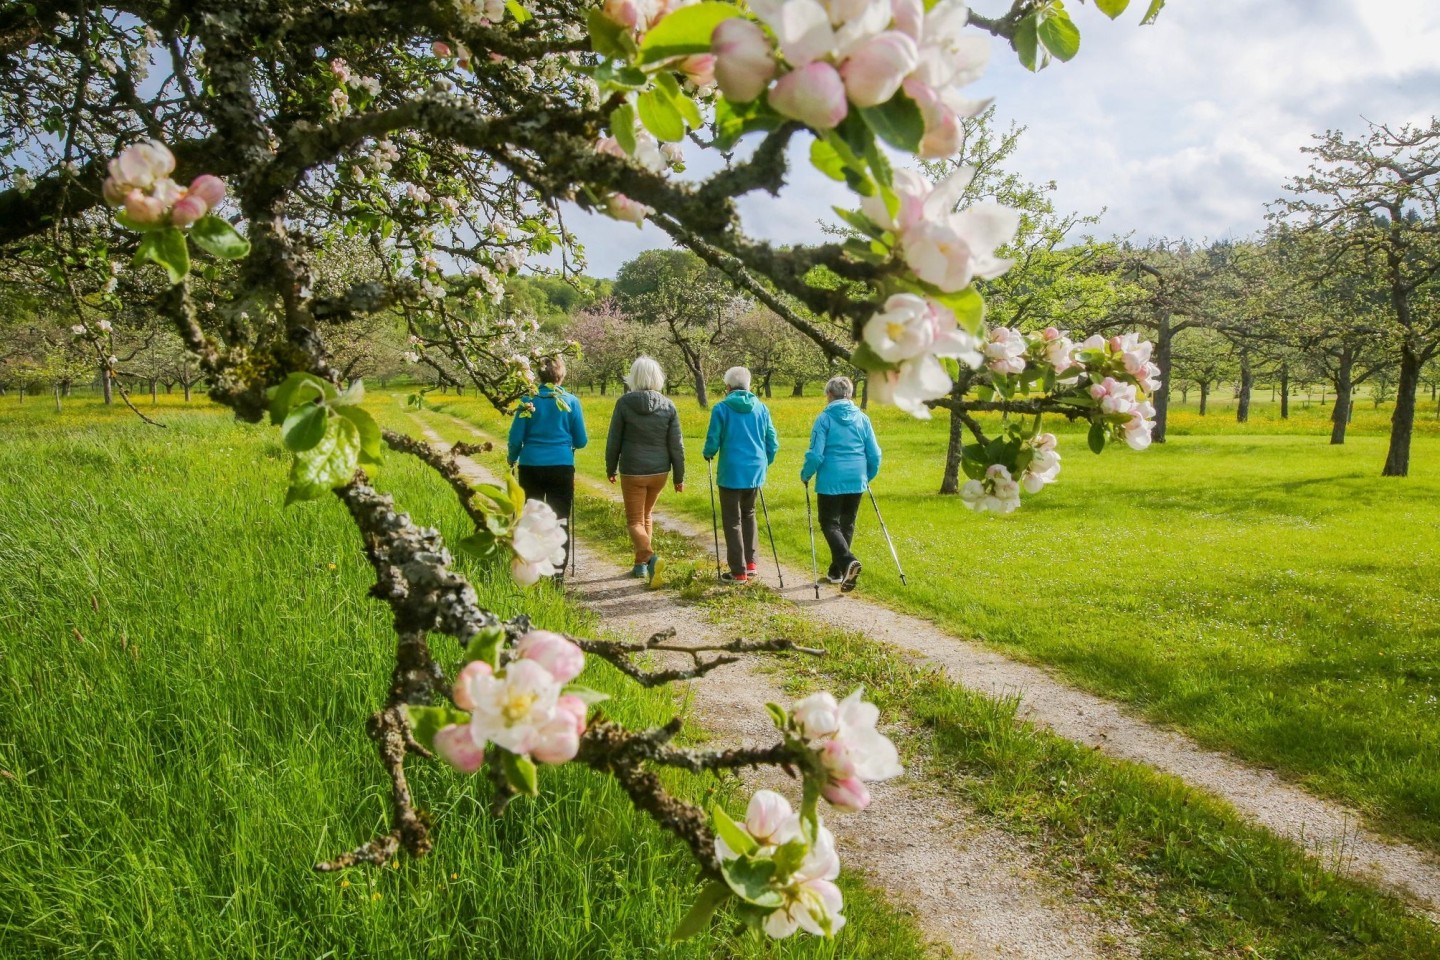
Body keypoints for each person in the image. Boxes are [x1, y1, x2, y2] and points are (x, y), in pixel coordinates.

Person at [605, 356, 686, 581]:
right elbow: (676, 445)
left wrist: (610, 467)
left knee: (634, 521)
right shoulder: (668, 405)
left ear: (633, 377)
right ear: (657, 377)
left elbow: (614, 439)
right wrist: (679, 476)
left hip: (633, 470)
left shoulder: (623, 403)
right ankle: (641, 566)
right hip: (660, 471)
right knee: (646, 515)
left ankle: (650, 558)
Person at [507, 357, 587, 577]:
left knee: (530, 518)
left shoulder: (528, 400)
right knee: (559, 518)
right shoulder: (570, 401)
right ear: (561, 375)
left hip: (531, 465)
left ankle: (529, 569)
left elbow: (516, 437)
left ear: (539, 375)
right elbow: (581, 441)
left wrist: (512, 458)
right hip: (561, 466)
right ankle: (557, 574)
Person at [800, 375, 881, 593]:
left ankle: (847, 562)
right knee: (847, 523)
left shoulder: (824, 418)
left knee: (829, 523)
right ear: (850, 394)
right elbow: (875, 454)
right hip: (856, 478)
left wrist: (806, 474)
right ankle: (837, 572)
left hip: (830, 479)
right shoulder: (862, 419)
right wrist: (867, 476)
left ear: (829, 394)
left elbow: (816, 454)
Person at [702, 366, 779, 583]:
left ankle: (738, 571)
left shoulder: (721, 408)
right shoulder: (761, 408)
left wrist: (708, 454)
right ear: (749, 386)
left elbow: (713, 440)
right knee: (749, 514)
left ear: (727, 387)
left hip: (731, 471)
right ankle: (751, 563)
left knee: (732, 519)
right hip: (755, 471)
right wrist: (766, 462)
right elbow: (772, 441)